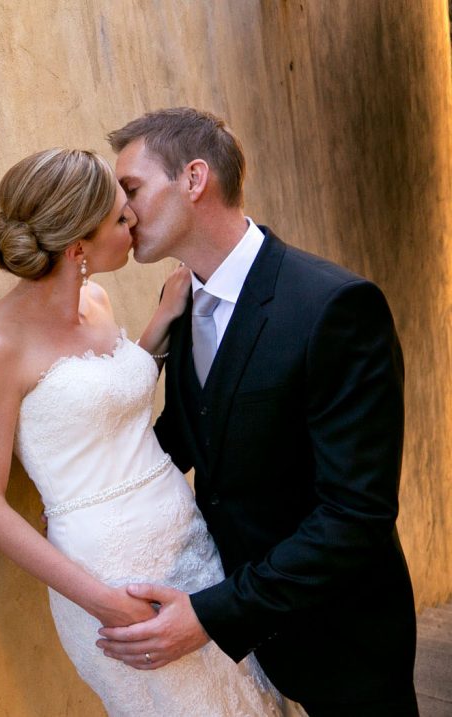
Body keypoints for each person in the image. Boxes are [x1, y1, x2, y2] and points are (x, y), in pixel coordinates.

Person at [95, 108, 418, 716]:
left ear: (194, 179)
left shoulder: (336, 308)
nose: (125, 211)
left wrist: (213, 614)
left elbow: (356, 515)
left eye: (132, 188)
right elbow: (181, 445)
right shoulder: (184, 304)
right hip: (246, 656)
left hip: (343, 642)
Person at [0, 148, 291, 715]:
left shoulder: (96, 300)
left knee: (248, 702)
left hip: (188, 539)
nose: (133, 220)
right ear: (77, 247)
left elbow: (107, 400)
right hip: (110, 573)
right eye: (119, 217)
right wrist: (105, 602)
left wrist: (161, 323)